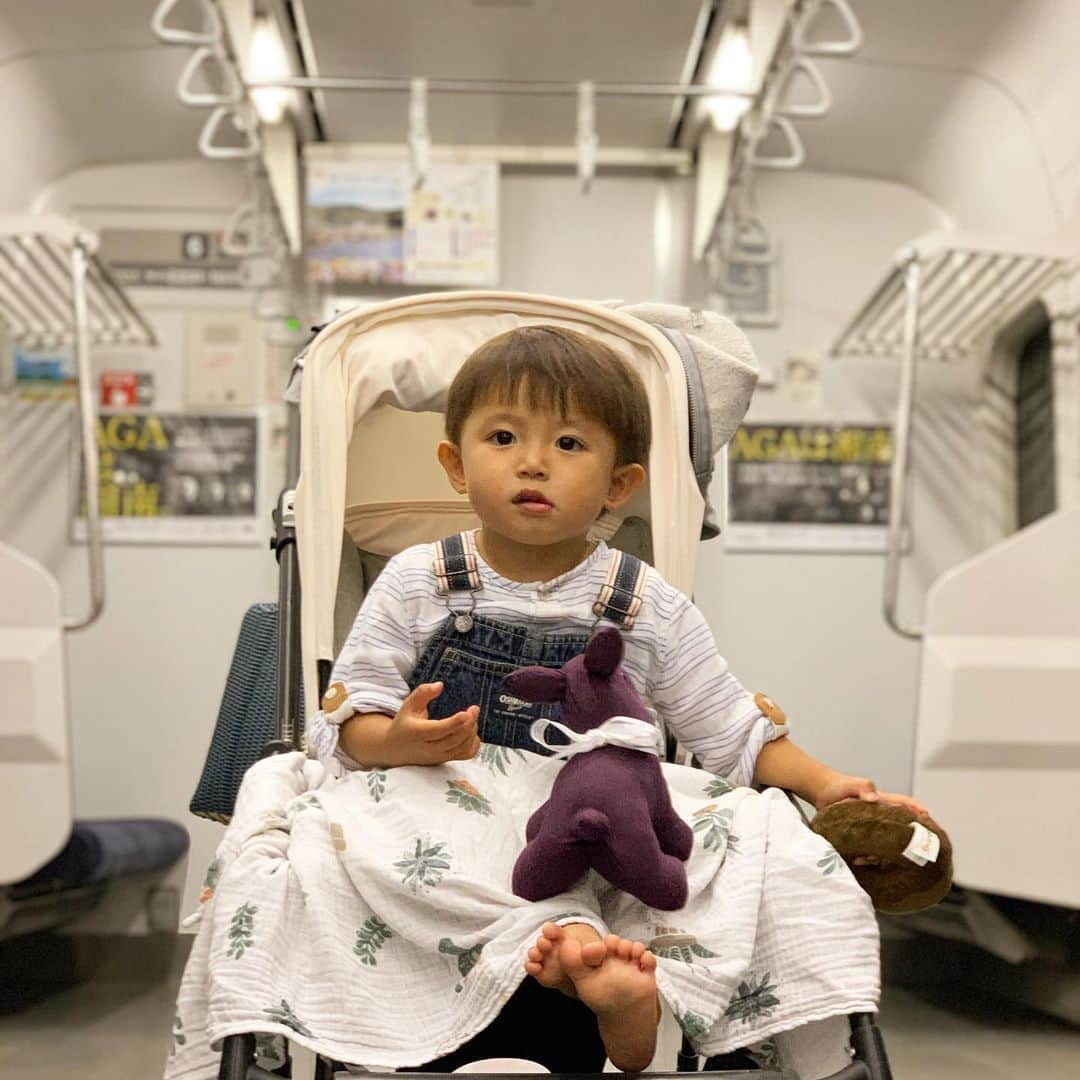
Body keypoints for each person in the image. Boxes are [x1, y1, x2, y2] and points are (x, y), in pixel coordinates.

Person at [308, 324, 926, 1074]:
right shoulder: (417, 581)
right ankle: (570, 958)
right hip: (452, 799)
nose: (533, 462)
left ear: (618, 485)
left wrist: (830, 787)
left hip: (599, 817)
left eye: (569, 445)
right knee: (344, 833)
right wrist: (397, 741)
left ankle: (609, 979)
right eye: (503, 437)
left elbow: (729, 726)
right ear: (455, 465)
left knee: (766, 838)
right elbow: (350, 723)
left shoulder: (642, 602)